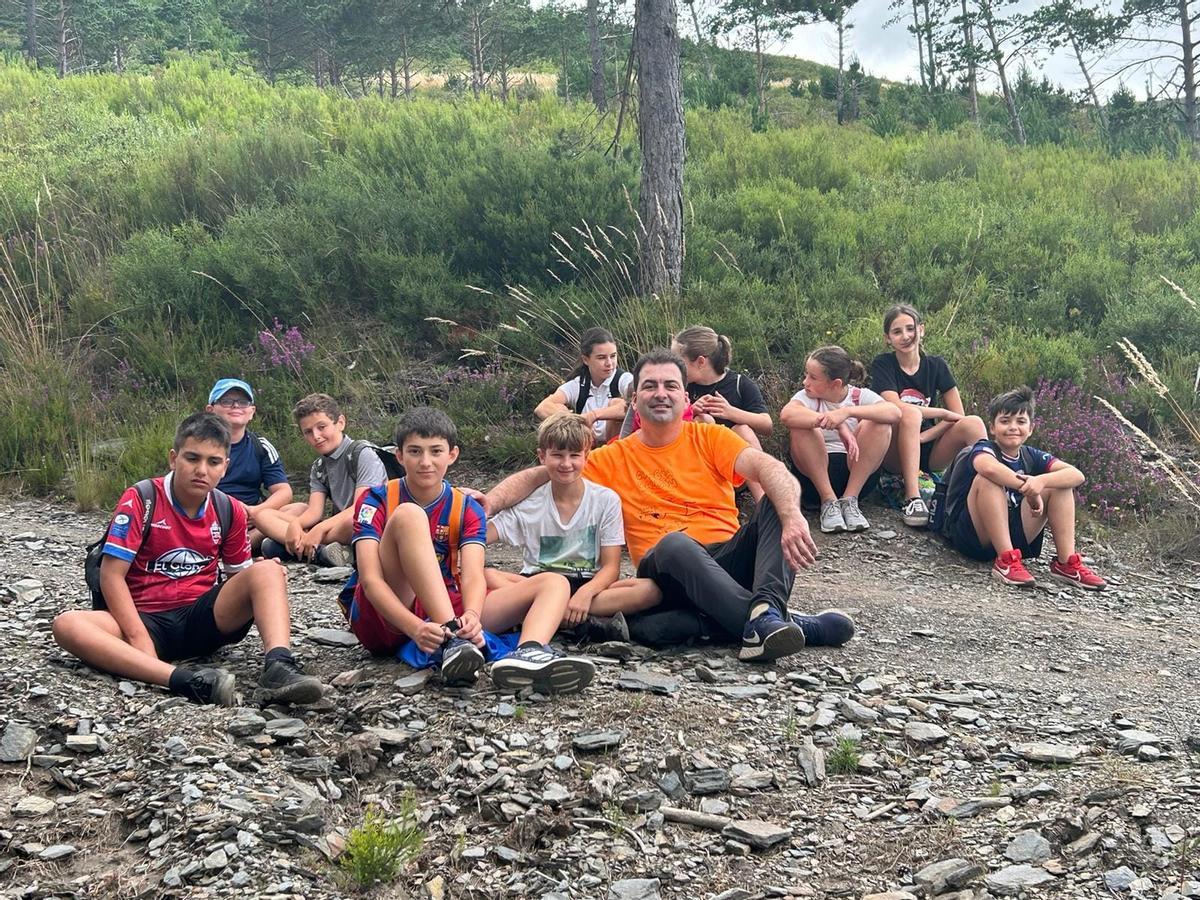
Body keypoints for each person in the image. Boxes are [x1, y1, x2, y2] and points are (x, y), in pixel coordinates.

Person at [487, 349, 855, 662]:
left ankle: (763, 614)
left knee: (782, 494)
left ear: (684, 397)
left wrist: (791, 516)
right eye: (649, 386)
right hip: (665, 571)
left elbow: (767, 467)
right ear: (634, 400)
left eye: (670, 386)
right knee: (676, 544)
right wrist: (488, 503)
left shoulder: (711, 437)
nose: (660, 393)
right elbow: (541, 474)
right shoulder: (613, 457)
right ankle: (775, 619)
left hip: (724, 561)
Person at [52, 413, 324, 706]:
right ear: (174, 458)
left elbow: (239, 579)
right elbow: (111, 576)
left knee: (268, 571)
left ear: (225, 467)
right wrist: (139, 638)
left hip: (201, 619)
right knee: (67, 624)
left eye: (213, 462)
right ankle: (182, 680)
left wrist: (266, 581)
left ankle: (279, 667)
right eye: (192, 458)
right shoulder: (142, 499)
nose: (201, 470)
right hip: (143, 620)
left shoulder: (228, 509)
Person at [340, 407, 596, 693]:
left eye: (436, 451)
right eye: (415, 452)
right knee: (409, 515)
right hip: (389, 614)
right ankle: (453, 638)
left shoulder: (466, 507)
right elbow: (371, 581)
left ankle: (529, 653)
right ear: (399, 456)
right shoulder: (376, 499)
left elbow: (474, 575)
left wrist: (473, 615)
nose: (426, 462)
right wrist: (414, 627)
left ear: (452, 455)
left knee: (555, 582)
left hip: (447, 598)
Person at [485, 412, 630, 642]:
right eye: (557, 455)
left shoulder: (606, 500)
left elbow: (611, 567)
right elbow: (481, 536)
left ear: (587, 456)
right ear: (542, 457)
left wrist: (585, 593)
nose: (566, 464)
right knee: (487, 574)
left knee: (648, 590)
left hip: (588, 584)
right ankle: (578, 621)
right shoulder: (529, 505)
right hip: (537, 583)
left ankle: (554, 616)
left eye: (574, 455)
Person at [944, 386, 1107, 590]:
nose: (1013, 427)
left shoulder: (1031, 455)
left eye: (1021, 422)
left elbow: (1076, 475)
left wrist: (1040, 483)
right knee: (987, 479)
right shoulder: (984, 447)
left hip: (1014, 532)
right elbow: (987, 467)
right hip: (975, 537)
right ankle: (1005, 560)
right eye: (1005, 421)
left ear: (1030, 429)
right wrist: (1028, 488)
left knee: (1060, 486)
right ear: (992, 428)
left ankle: (1066, 563)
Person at [870, 305, 987, 528]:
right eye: (897, 332)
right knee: (909, 413)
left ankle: (983, 494)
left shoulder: (936, 365)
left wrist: (925, 437)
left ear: (921, 330)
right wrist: (941, 412)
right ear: (888, 338)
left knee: (974, 423)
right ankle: (913, 498)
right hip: (895, 451)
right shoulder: (883, 364)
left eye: (910, 329)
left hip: (929, 448)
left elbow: (958, 415)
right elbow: (895, 406)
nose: (905, 336)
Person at [255, 393, 387, 567]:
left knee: (354, 520)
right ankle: (320, 551)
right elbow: (314, 512)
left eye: (321, 427)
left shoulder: (362, 454)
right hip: (335, 528)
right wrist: (297, 523)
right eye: (308, 432)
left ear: (340, 423)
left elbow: (363, 506)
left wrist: (319, 529)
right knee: (263, 515)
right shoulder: (319, 466)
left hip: (365, 521)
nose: (316, 436)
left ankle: (304, 548)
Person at [782, 346, 901, 534]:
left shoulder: (858, 396)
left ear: (835, 384)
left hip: (855, 476)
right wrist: (836, 424)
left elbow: (894, 412)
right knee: (801, 425)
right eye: (806, 375)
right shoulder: (809, 397)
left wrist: (847, 412)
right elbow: (787, 415)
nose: (805, 382)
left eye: (813, 377)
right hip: (814, 479)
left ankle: (849, 500)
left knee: (879, 423)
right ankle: (827, 501)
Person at [672, 326, 773, 500]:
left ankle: (764, 504)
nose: (673, 366)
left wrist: (732, 413)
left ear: (701, 361)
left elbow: (767, 425)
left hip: (734, 469)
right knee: (703, 421)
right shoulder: (677, 385)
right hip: (687, 468)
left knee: (742, 429)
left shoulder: (739, 384)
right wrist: (691, 410)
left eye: (678, 360)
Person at [204, 378, 293, 552]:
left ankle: (244, 544)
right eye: (227, 401)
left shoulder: (261, 446)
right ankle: (257, 544)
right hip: (212, 518)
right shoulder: (198, 445)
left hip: (253, 519)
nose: (236, 406)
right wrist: (233, 512)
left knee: (300, 509)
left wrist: (256, 512)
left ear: (252, 411)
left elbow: (284, 491)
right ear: (210, 410)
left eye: (243, 402)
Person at [535, 327, 634, 444]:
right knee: (560, 409)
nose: (609, 363)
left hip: (617, 446)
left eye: (613, 356)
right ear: (586, 360)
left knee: (617, 403)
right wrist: (576, 421)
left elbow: (636, 403)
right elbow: (541, 408)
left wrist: (593, 416)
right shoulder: (578, 384)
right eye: (601, 357)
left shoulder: (623, 379)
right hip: (587, 445)